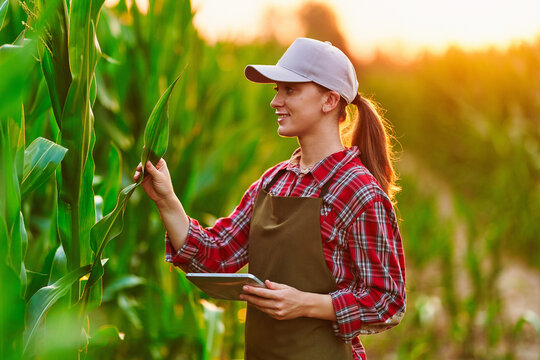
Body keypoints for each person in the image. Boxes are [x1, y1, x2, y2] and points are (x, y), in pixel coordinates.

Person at [133, 37, 406, 360]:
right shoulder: (273, 182)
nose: (276, 101)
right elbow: (217, 256)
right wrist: (167, 200)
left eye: (290, 90)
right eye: (277, 90)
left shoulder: (358, 192)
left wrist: (305, 303)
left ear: (329, 100)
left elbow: (388, 302)